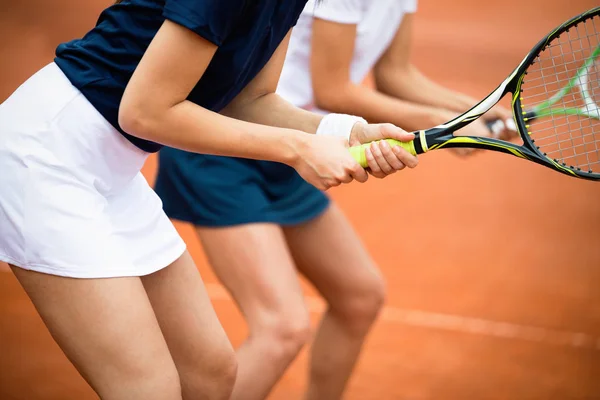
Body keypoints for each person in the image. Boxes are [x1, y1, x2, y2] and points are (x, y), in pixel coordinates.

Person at [0, 0, 417, 398]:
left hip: (115, 172)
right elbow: (144, 112)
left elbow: (249, 100)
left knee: (211, 374)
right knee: (148, 389)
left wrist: (344, 133)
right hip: (46, 156)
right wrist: (299, 149)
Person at [154, 0, 516, 400]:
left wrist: (469, 114)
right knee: (281, 329)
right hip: (225, 144)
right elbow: (334, 89)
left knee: (358, 296)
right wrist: (438, 125)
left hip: (296, 145)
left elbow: (397, 74)